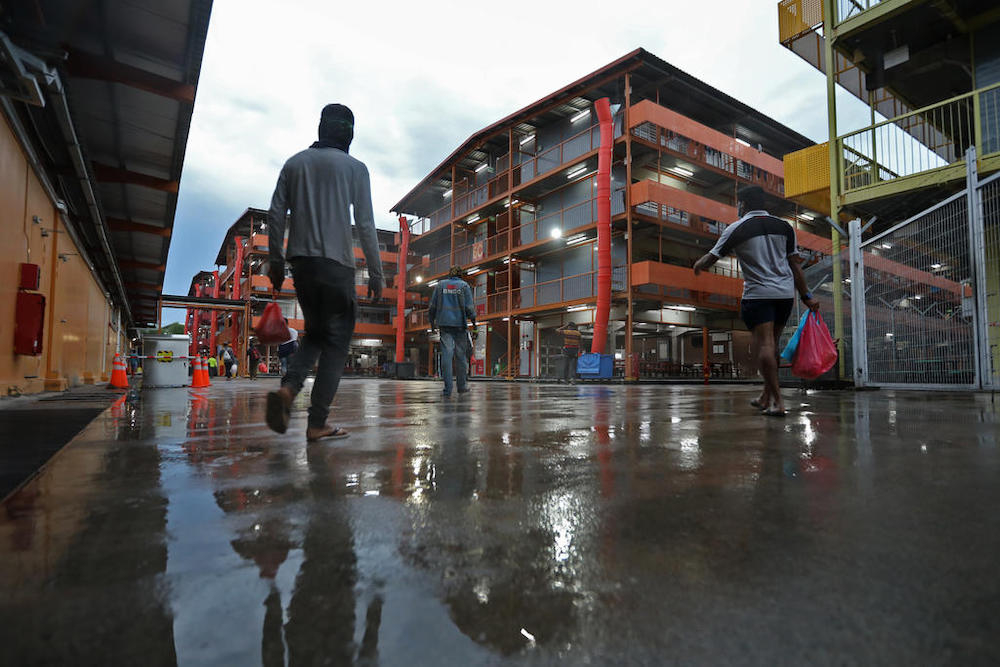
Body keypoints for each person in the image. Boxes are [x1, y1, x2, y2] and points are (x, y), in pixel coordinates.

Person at [265, 103, 383, 441]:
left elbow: (275, 215)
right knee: (336, 343)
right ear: (349, 133)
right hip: (337, 265)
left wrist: (276, 264)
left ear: (320, 128)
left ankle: (288, 390)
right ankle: (317, 423)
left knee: (316, 334)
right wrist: (376, 272)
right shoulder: (356, 169)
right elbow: (365, 223)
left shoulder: (294, 163)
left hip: (301, 264)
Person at [693, 186, 820, 417]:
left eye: (737, 204)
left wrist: (697, 265)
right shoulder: (784, 227)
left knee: (765, 347)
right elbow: (795, 265)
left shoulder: (737, 228)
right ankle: (765, 397)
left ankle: (778, 402)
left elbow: (711, 258)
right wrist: (807, 297)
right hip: (784, 295)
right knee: (772, 346)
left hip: (758, 296)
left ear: (743, 204)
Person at [429, 266, 477, 397]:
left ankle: (447, 390)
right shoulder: (464, 286)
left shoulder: (440, 286)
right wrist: (474, 323)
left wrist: (432, 323)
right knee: (461, 357)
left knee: (447, 355)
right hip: (460, 325)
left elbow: (432, 306)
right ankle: (461, 387)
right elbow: (470, 308)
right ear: (461, 275)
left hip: (444, 324)